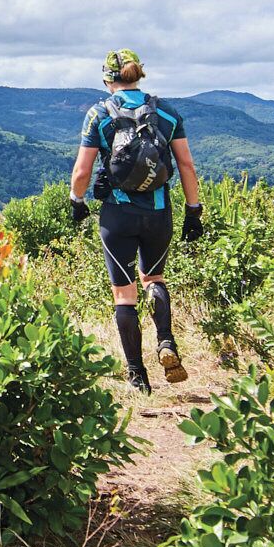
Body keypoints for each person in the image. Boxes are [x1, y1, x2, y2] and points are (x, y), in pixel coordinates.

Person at [68, 48, 203, 393]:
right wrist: (193, 210)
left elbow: (83, 170)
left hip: (117, 214)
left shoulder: (98, 113)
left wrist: (77, 201)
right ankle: (167, 342)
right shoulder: (166, 112)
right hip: (158, 212)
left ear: (107, 78)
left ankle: (137, 376)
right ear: (139, 74)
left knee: (124, 295)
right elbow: (186, 165)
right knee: (154, 277)